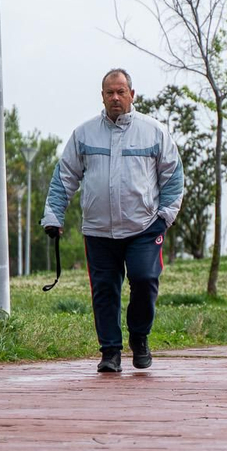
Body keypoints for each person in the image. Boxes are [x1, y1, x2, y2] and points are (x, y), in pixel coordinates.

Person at [42, 68, 184, 373]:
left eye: (121, 92)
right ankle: (110, 352)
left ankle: (140, 337)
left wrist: (165, 217)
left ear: (132, 94)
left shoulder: (154, 131)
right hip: (98, 230)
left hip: (144, 227)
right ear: (102, 96)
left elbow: (173, 176)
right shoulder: (83, 134)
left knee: (145, 280)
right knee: (104, 290)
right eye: (110, 92)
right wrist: (53, 215)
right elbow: (64, 176)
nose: (116, 97)